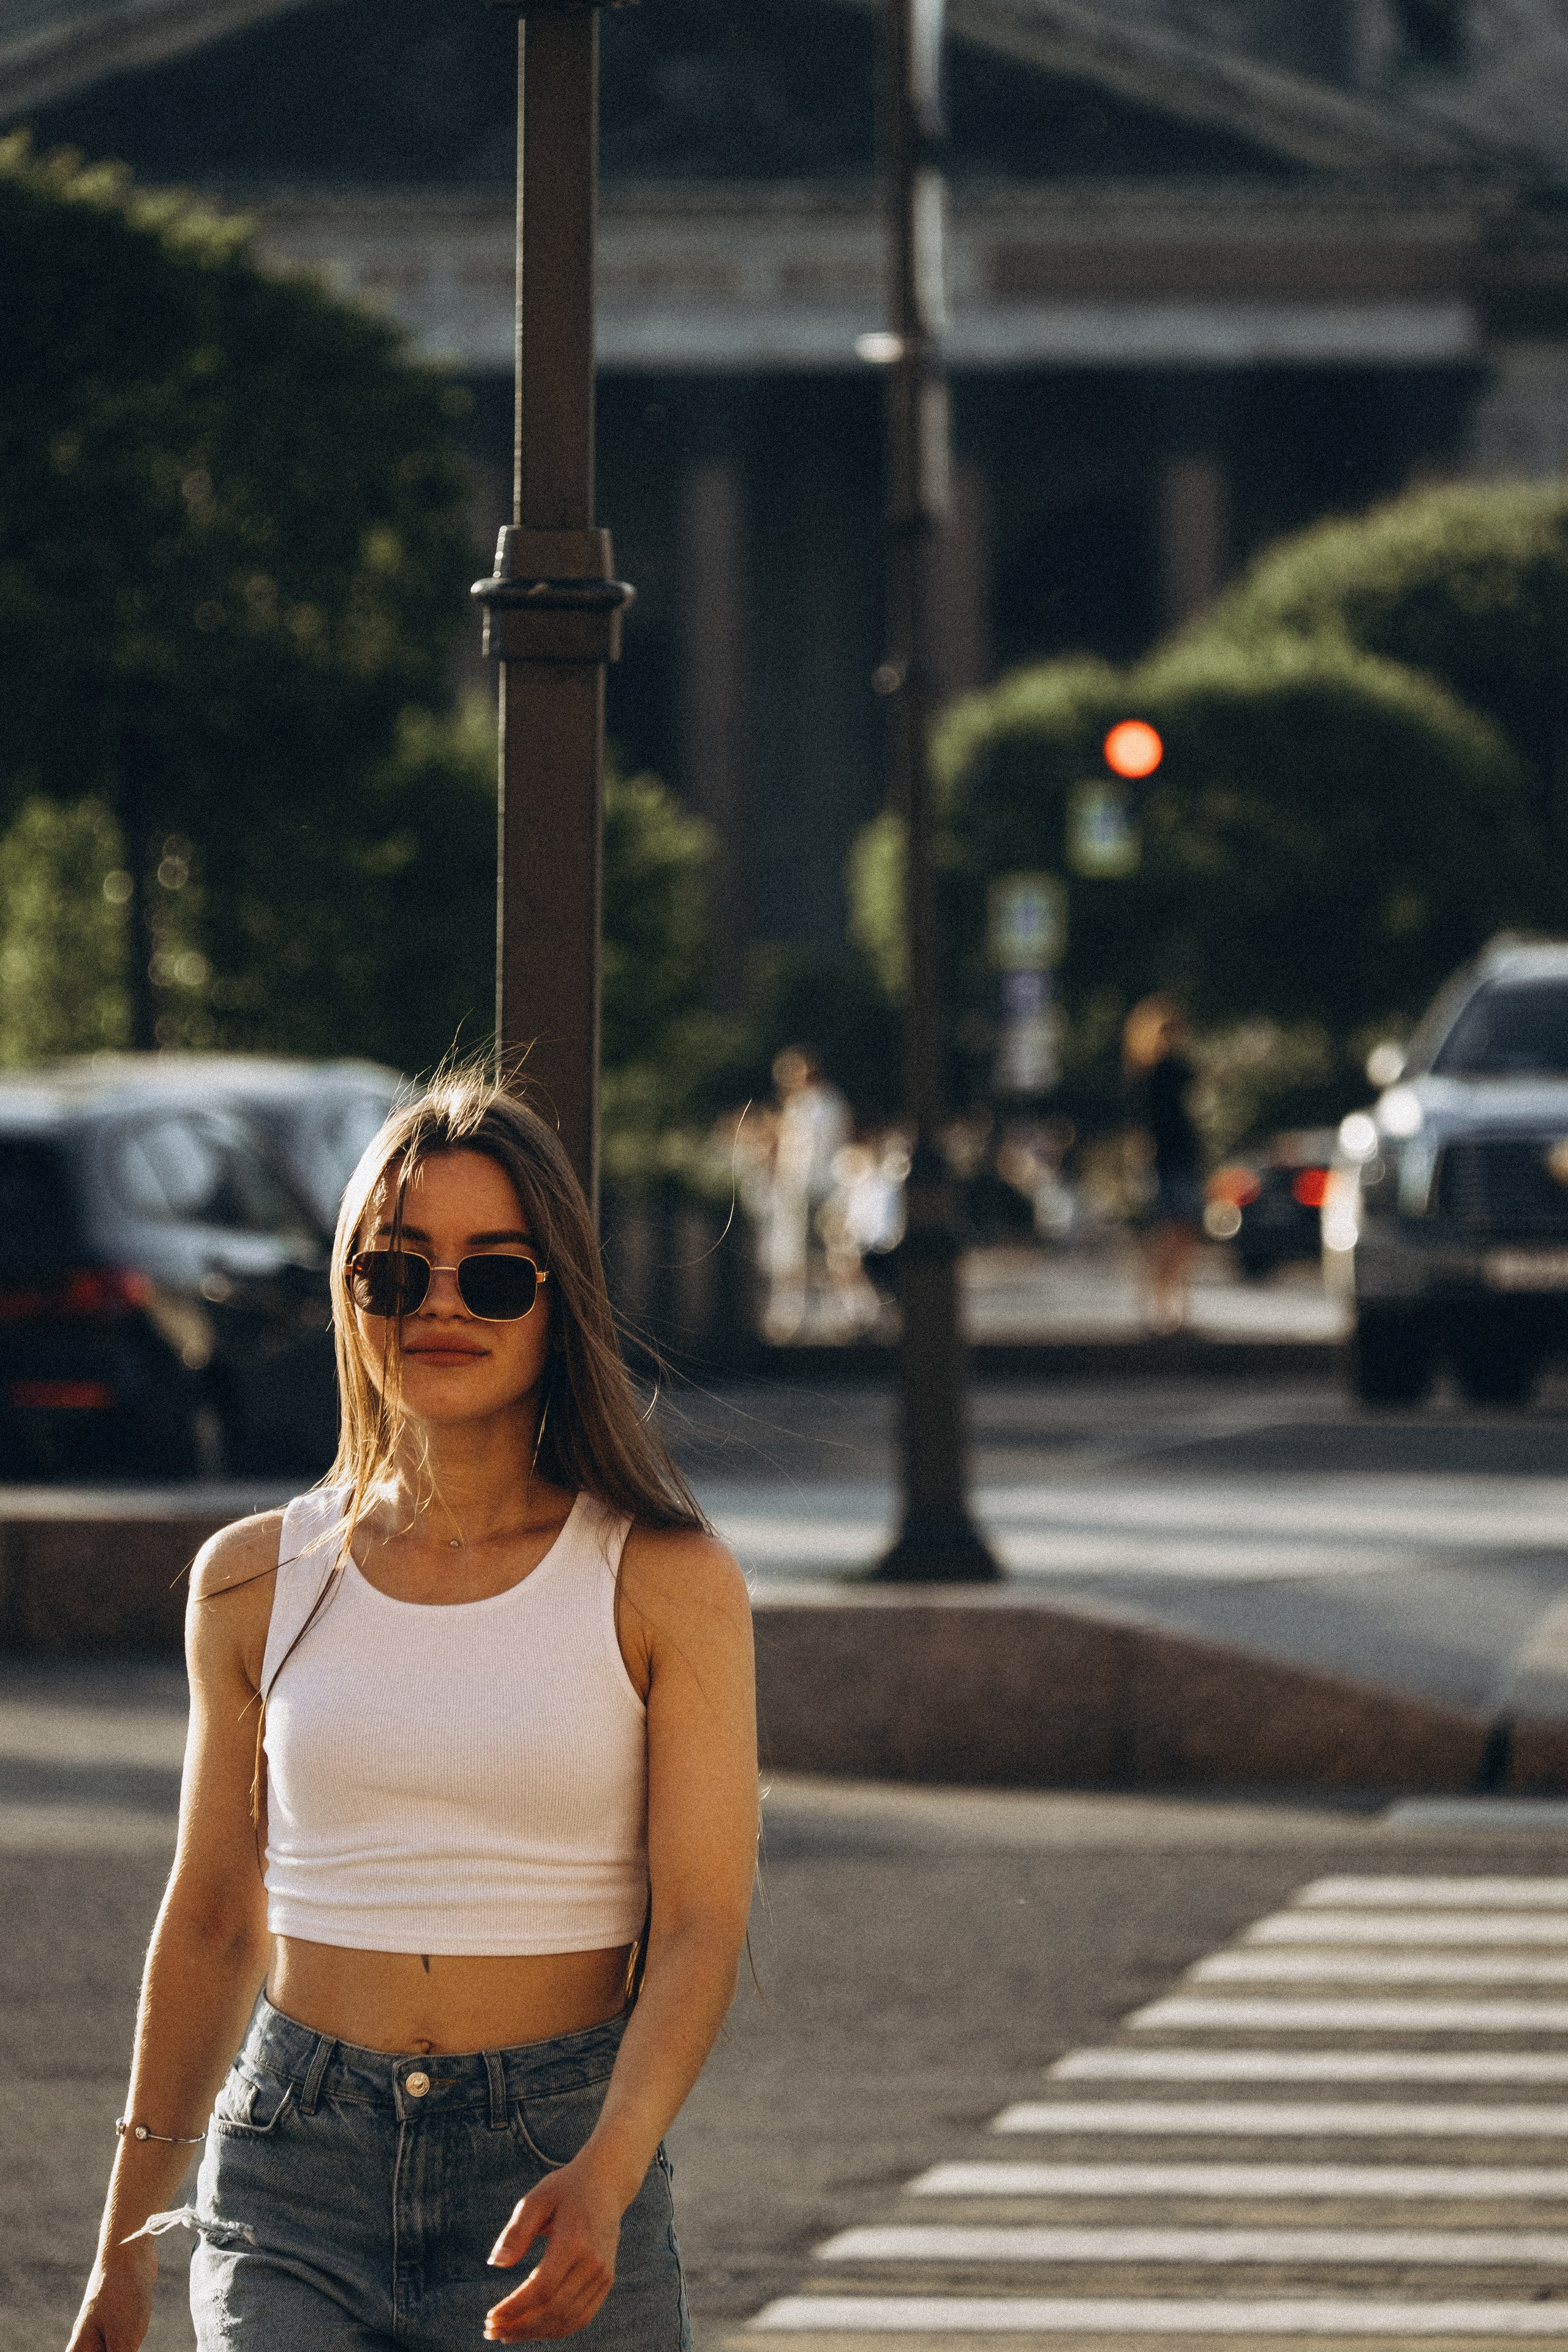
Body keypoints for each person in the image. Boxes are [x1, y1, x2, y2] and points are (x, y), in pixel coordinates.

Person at [67, 1071, 757, 2351]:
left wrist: (607, 2172)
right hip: (292, 2172)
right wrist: (121, 2253)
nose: (440, 1306)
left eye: (492, 1275)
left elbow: (702, 1928)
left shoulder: (666, 1580)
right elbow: (214, 1918)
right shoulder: (253, 1579)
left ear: (559, 1302)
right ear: (348, 1296)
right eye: (396, 1274)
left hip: (555, 2166)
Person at [1123, 996, 1204, 1335]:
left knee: (1180, 1236)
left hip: (1178, 1159)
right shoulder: (1158, 1073)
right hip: (1167, 1162)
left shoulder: (1155, 1072)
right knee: (1172, 1235)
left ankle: (1173, 1310)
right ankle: (1163, 1309)